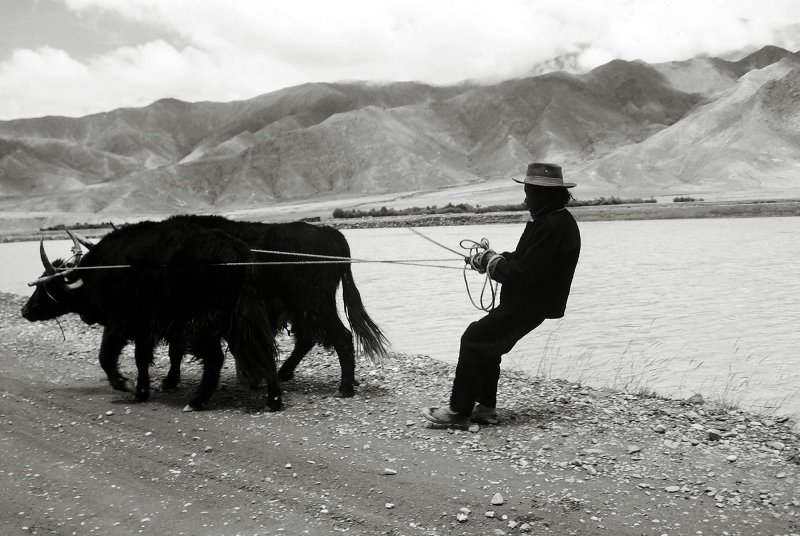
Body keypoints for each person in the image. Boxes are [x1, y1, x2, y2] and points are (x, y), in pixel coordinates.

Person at [421, 162, 581, 427]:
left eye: (530, 192)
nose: (526, 198)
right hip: (527, 303)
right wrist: (492, 259)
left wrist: (490, 264)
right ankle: (485, 409)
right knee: (488, 346)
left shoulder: (553, 225)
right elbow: (522, 260)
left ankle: (458, 413)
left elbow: (524, 273)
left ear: (545, 194)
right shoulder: (548, 220)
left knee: (474, 338)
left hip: (528, 304)